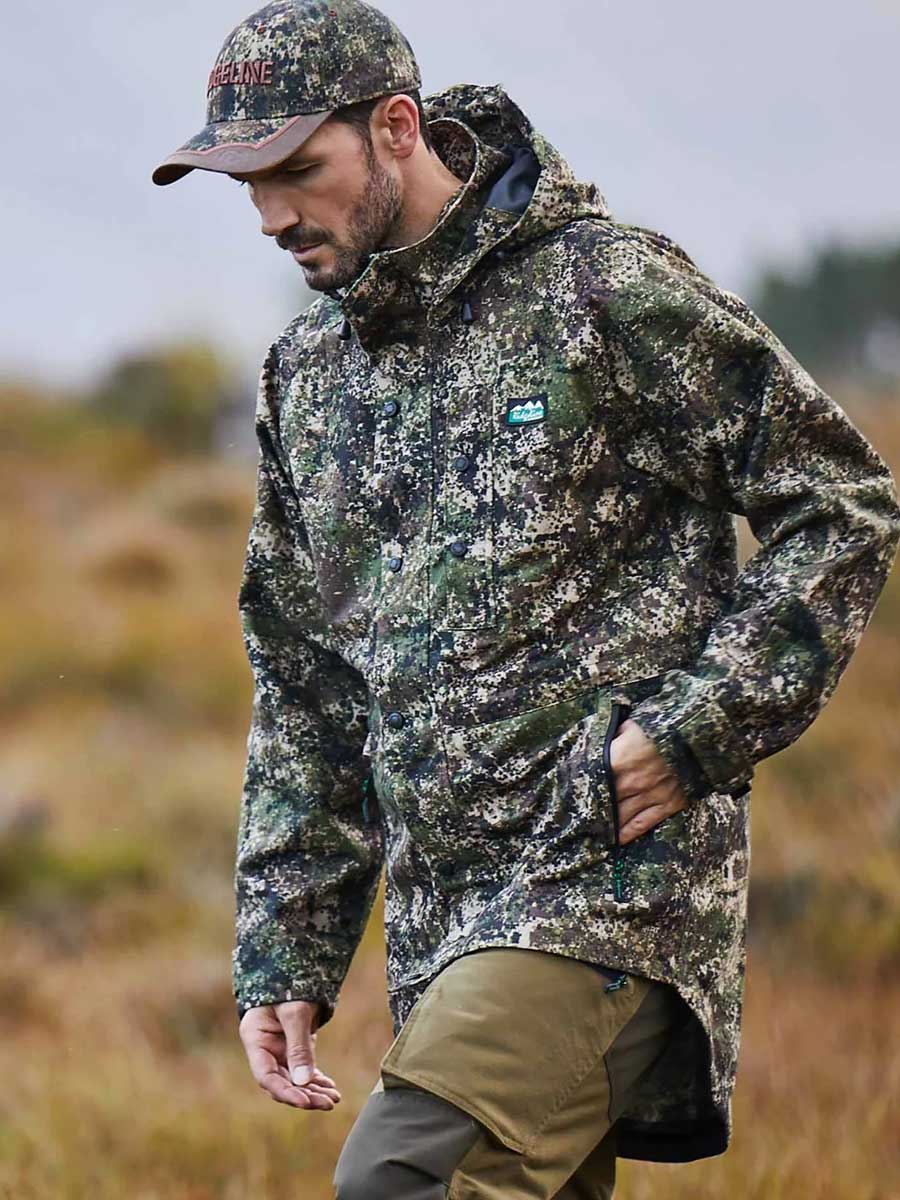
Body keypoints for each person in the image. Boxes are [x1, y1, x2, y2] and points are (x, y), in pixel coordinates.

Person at [152, 2, 900, 1196]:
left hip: (606, 894)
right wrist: (289, 945)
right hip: (444, 933)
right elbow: (306, 679)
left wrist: (698, 725)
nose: (272, 215)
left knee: (402, 1181)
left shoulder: (603, 292)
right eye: (249, 185)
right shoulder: (309, 377)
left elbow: (840, 501)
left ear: (397, 129)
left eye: (297, 170)